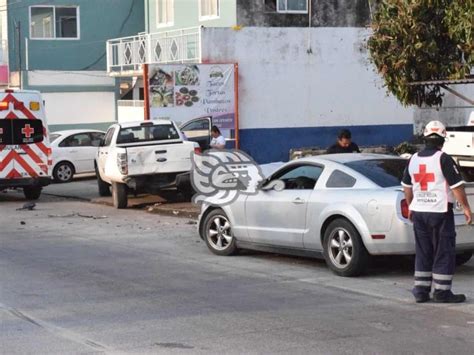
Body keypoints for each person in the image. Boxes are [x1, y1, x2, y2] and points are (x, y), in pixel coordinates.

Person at [401, 120, 472, 304]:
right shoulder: (443, 158)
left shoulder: (413, 159)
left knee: (423, 251)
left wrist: (410, 206)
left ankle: (421, 291)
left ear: (425, 138)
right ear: (443, 139)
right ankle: (441, 292)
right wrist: (466, 207)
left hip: (419, 212)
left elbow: (406, 187)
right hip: (439, 212)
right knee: (443, 250)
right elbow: (456, 186)